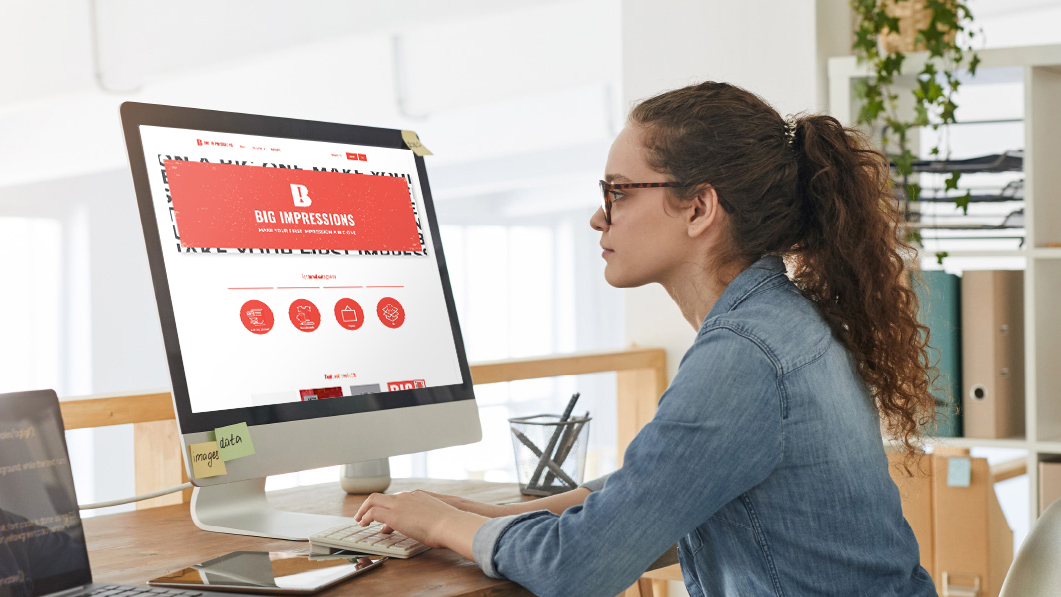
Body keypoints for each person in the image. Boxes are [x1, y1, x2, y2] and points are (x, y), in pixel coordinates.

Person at [354, 81, 939, 597]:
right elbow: (664, 486)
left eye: (619, 192)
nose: (598, 217)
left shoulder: (745, 354)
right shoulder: (775, 322)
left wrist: (442, 525)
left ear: (699, 208)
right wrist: (499, 514)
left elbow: (576, 570)